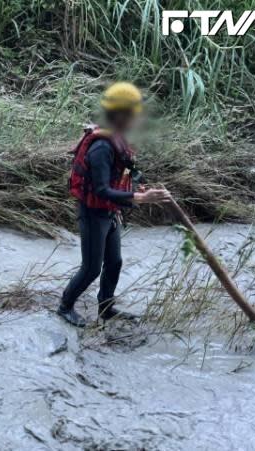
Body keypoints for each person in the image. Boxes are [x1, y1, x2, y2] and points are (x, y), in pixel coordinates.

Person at [58, 82, 171, 327]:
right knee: (91, 269)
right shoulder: (100, 148)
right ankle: (65, 306)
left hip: (110, 213)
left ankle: (106, 308)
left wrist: (136, 185)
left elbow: (130, 169)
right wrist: (138, 198)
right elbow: (101, 189)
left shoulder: (119, 141)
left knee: (115, 262)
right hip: (93, 214)